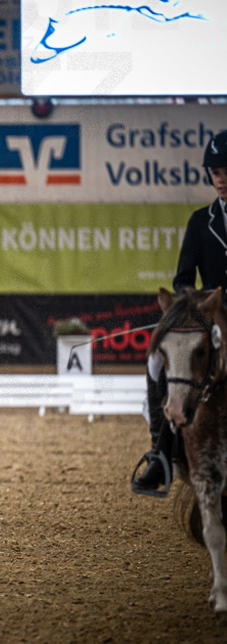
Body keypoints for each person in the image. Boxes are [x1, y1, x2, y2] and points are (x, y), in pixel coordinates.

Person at [133, 129, 227, 492]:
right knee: (156, 361)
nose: (221, 179)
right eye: (216, 172)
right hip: (210, 315)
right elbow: (182, 279)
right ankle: (161, 450)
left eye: (226, 171)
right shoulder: (199, 222)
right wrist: (191, 305)